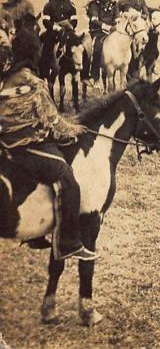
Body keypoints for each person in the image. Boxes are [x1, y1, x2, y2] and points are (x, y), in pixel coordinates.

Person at [0, 28, 97, 260]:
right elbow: (53, 121)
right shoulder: (35, 83)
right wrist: (77, 130)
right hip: (26, 146)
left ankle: (34, 233)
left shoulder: (6, 78)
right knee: (68, 180)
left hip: (5, 144)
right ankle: (69, 242)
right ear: (35, 52)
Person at [86, 0, 119, 86]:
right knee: (97, 47)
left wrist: (117, 24)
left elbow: (117, 18)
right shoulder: (94, 5)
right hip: (97, 31)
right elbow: (94, 20)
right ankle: (94, 76)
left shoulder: (114, 4)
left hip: (113, 31)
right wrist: (107, 27)